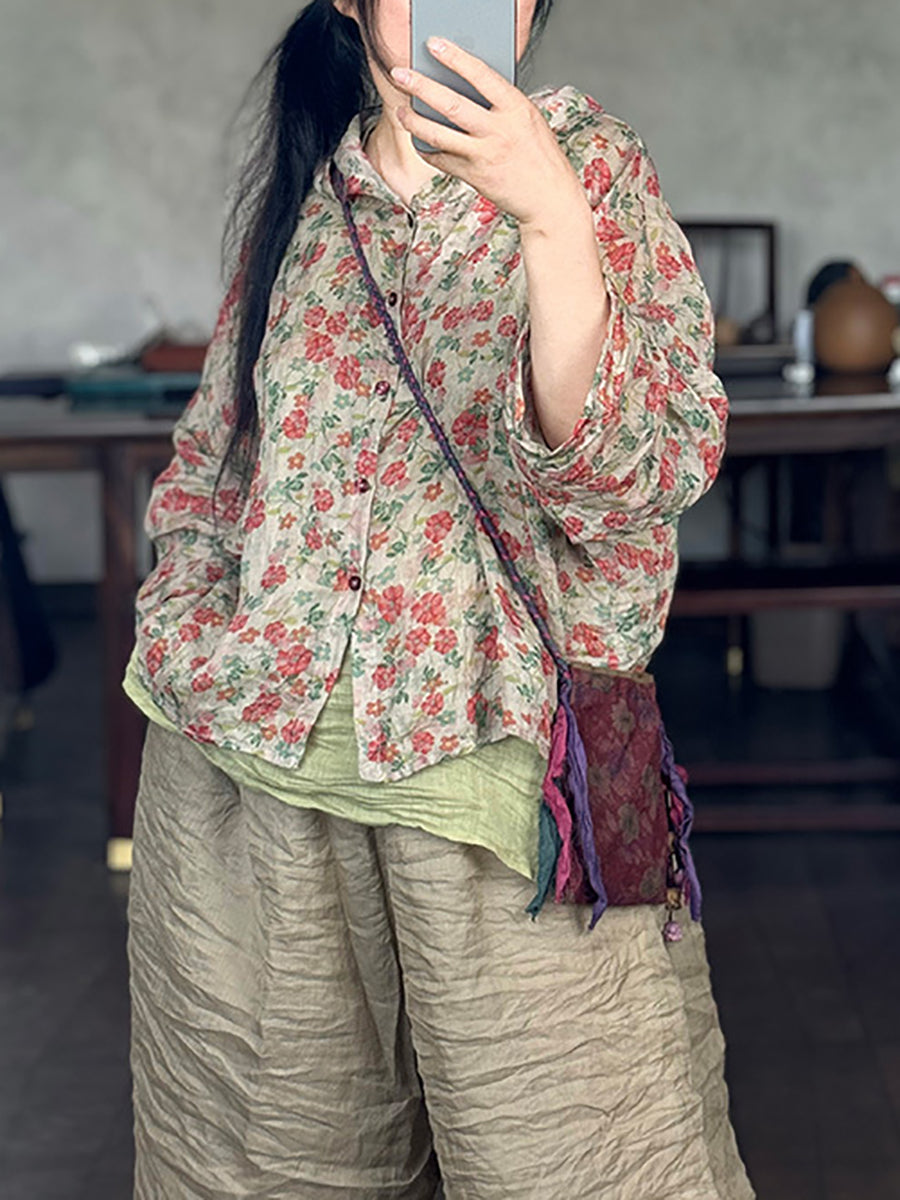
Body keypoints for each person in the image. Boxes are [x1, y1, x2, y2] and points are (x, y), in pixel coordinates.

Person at [123, 1, 756, 1196]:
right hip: (251, 782)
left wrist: (549, 216)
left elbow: (640, 476)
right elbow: (215, 461)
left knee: (578, 1161)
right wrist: (187, 630)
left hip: (503, 789)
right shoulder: (306, 202)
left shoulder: (593, 171)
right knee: (262, 1169)